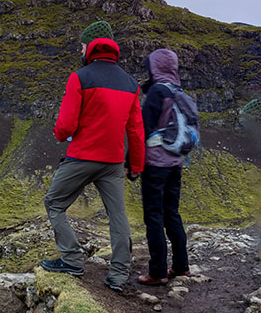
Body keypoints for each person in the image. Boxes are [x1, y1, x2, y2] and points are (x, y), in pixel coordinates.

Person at [41, 22, 145, 293]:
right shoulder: (131, 84)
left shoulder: (80, 77)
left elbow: (66, 125)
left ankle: (72, 260)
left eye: (82, 45)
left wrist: (59, 134)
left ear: (90, 47)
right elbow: (135, 130)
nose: (80, 49)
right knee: (117, 215)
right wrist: (135, 165)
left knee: (54, 203)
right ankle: (119, 274)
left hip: (82, 157)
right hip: (112, 162)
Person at [137, 49, 191, 285]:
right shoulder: (181, 93)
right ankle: (181, 266)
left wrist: (132, 163)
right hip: (176, 164)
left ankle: (157, 272)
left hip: (156, 165)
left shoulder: (158, 92)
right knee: (172, 214)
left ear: (155, 68)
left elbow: (142, 130)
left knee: (154, 216)